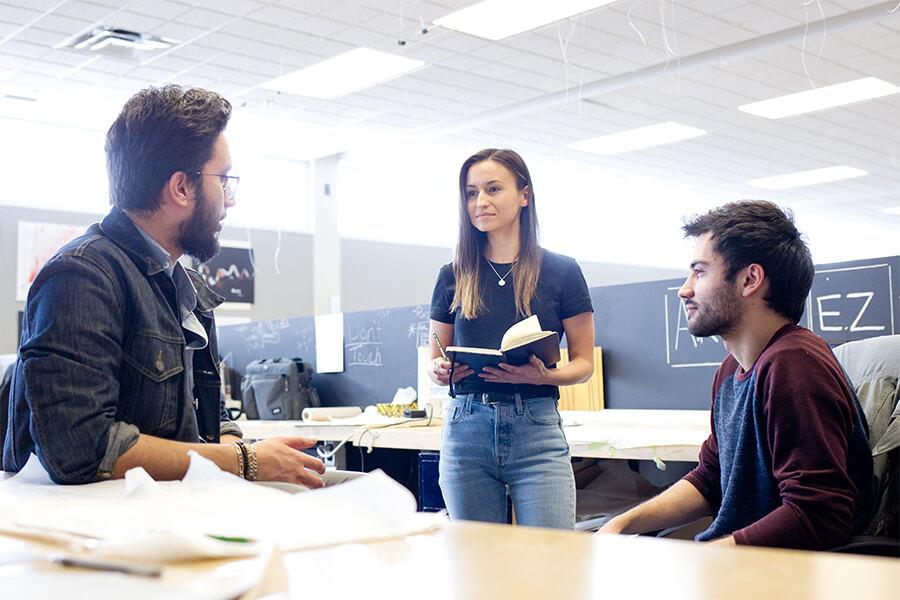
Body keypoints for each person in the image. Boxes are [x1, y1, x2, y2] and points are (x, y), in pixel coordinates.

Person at [3, 85, 326, 488]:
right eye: (223, 179)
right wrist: (245, 462)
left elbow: (211, 420)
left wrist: (243, 462)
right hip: (91, 534)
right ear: (181, 187)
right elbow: (81, 448)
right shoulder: (82, 275)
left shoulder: (187, 289)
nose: (230, 199)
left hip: (165, 520)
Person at [598, 200, 873, 549]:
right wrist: (621, 525)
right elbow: (711, 477)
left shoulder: (795, 365)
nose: (685, 288)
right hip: (738, 563)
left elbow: (819, 515)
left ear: (749, 279)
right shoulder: (732, 370)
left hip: (777, 573)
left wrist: (705, 559)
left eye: (699, 272)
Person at [428, 148, 595, 529]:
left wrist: (545, 376)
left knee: (550, 563)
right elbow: (436, 353)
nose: (480, 202)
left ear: (524, 195)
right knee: (477, 568)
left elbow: (583, 364)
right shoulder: (453, 274)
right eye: (471, 193)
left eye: (492, 189)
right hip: (465, 429)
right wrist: (439, 370)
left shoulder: (562, 271)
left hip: (535, 428)